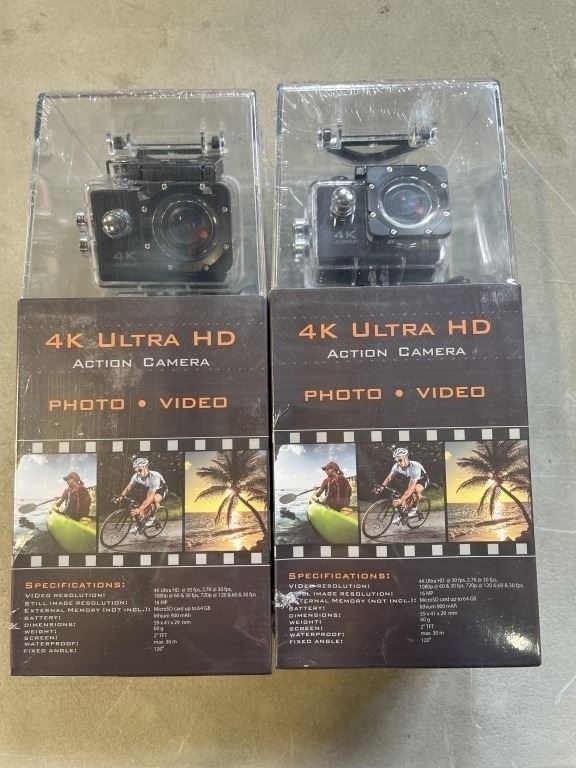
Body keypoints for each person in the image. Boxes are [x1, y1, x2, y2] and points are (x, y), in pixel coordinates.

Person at [377, 447, 429, 524]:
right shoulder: (396, 466)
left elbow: (411, 488)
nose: (398, 463)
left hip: (422, 479)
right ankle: (404, 514)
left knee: (415, 490)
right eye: (396, 461)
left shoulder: (415, 467)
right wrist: (381, 487)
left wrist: (401, 499)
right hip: (411, 479)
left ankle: (414, 509)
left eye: (400, 460)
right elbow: (389, 478)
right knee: (404, 498)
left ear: (406, 457)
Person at [121, 457, 168, 529]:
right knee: (143, 508)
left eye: (140, 470)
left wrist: (139, 509)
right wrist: (121, 496)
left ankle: (152, 517)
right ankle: (143, 521)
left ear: (146, 467)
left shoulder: (154, 476)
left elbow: (150, 498)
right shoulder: (136, 476)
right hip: (150, 488)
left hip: (161, 489)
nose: (138, 473)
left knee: (153, 500)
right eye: (136, 471)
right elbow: (128, 488)